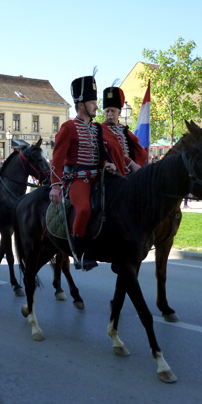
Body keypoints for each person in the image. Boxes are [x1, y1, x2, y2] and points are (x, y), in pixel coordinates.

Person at [50, 75, 124, 270]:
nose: (96, 107)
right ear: (81, 104)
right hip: (78, 180)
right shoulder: (68, 128)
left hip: (98, 178)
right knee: (83, 209)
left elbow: (101, 153)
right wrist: (56, 186)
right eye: (93, 102)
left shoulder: (96, 128)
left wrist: (107, 163)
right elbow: (57, 159)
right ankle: (79, 252)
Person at [101, 86, 147, 174]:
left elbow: (137, 149)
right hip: (112, 172)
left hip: (129, 172)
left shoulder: (124, 130)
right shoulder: (100, 129)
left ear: (119, 112)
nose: (110, 114)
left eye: (112, 111)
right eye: (107, 111)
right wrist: (131, 164)